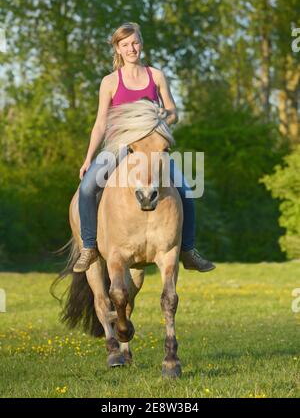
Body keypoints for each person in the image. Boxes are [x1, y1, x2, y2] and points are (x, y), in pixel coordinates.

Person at [73, 22, 215, 274]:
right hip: (118, 149)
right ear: (117, 49)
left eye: (135, 42)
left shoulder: (156, 75)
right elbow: (100, 124)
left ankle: (189, 250)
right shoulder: (109, 82)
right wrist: (88, 159)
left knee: (186, 190)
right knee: (86, 189)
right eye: (125, 44)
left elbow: (173, 112)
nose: (131, 48)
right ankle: (89, 246)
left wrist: (164, 116)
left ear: (142, 44)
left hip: (153, 150)